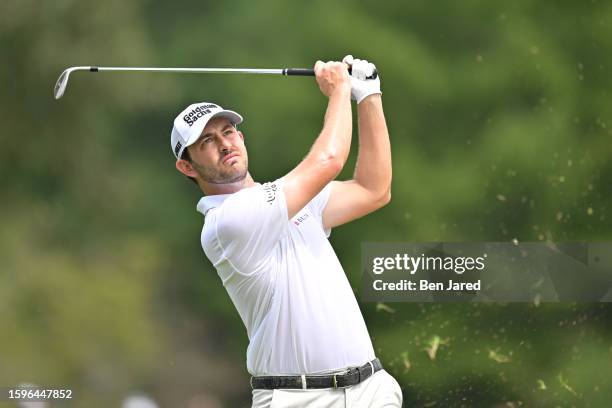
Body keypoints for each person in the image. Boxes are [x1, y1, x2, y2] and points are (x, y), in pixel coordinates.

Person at [170, 55, 402, 407]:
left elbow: (374, 190)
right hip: (297, 398)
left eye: (228, 132)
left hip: (370, 389)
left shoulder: (292, 199)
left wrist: (369, 95)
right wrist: (340, 91)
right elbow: (328, 161)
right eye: (206, 142)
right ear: (187, 166)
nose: (224, 144)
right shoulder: (227, 222)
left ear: (241, 136)